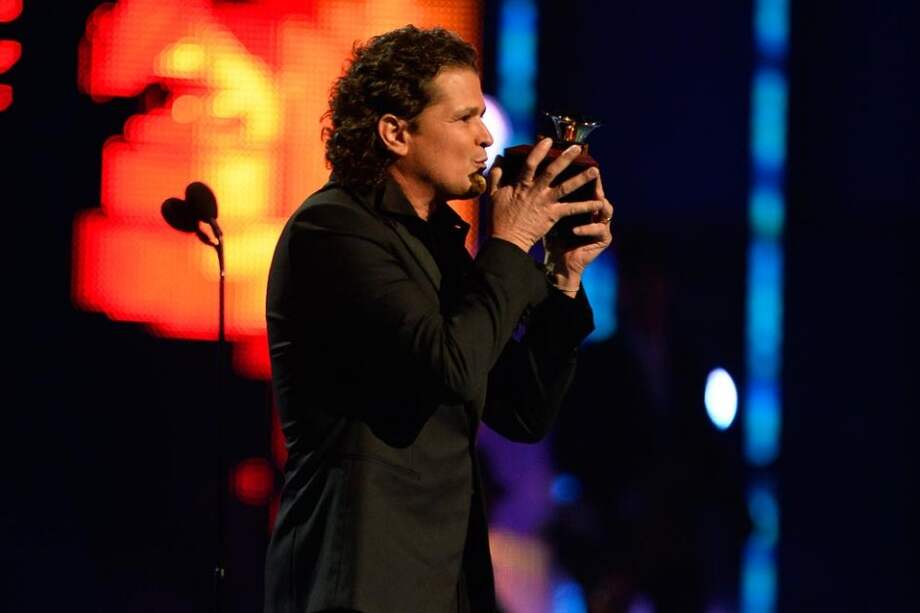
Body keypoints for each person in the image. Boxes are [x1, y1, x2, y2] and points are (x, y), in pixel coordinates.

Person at [264, 25, 614, 613]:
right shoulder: (333, 230)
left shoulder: (440, 246)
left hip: (445, 580)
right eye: (464, 118)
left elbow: (522, 410)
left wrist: (561, 277)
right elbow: (450, 365)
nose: (486, 137)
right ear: (396, 133)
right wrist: (511, 240)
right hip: (361, 580)